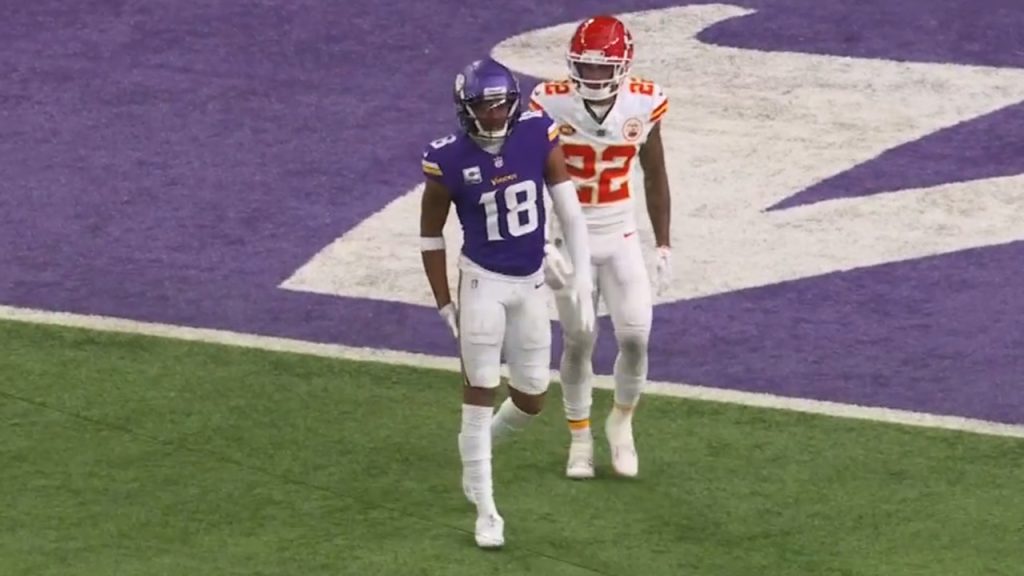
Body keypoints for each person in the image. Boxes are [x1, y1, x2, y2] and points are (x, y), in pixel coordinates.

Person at [419, 57, 594, 548]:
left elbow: (569, 209)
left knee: (533, 397)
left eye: (501, 105)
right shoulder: (448, 158)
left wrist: (580, 276)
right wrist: (442, 302)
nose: (494, 116)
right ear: (465, 108)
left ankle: (478, 452)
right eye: (484, 106)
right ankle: (487, 511)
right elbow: (430, 235)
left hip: (531, 283)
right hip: (482, 283)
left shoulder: (538, 132)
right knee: (479, 390)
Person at [529, 15, 673, 480]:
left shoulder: (642, 102)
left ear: (621, 65)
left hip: (620, 231)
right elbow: (529, 175)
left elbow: (655, 173)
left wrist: (664, 242)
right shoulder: (549, 103)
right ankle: (578, 439)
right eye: (584, 68)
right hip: (572, 236)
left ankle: (622, 423)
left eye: (600, 68)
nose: (592, 76)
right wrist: (541, 242)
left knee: (635, 336)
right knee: (580, 339)